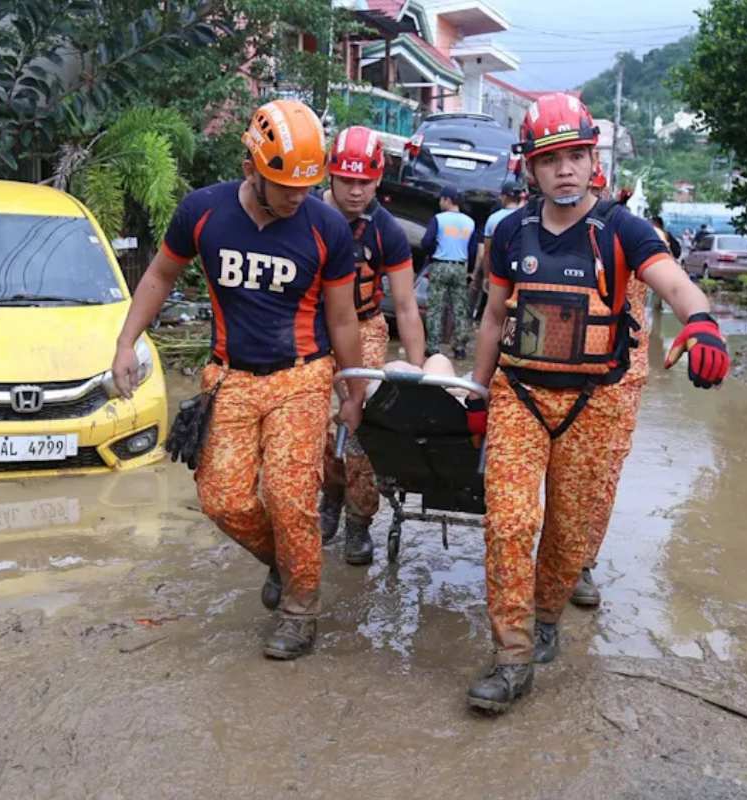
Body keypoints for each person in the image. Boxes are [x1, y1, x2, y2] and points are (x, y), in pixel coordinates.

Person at [464, 93, 730, 713]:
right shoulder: (511, 232)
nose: (565, 169)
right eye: (550, 159)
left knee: (568, 533)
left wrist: (703, 323)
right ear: (530, 167)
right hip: (520, 396)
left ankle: (547, 613)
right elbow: (494, 318)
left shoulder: (622, 229)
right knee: (509, 522)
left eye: (576, 156)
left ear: (593, 162)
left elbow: (674, 281)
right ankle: (511, 658)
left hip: (595, 404)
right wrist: (477, 393)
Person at [110, 99, 367, 661]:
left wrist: (353, 393)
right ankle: (285, 559)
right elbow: (159, 276)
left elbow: (344, 319)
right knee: (222, 499)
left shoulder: (326, 228)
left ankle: (300, 610)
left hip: (303, 376)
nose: (298, 197)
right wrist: (127, 342)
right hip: (228, 377)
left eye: (307, 185)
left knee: (290, 496)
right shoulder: (203, 212)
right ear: (251, 168)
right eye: (286, 185)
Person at [317, 125, 425, 566]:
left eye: (365, 181)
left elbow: (406, 306)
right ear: (331, 175)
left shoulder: (386, 231)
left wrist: (418, 375)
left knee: (361, 425)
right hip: (311, 329)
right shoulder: (305, 216)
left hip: (365, 328)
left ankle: (359, 520)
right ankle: (329, 495)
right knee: (314, 426)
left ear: (379, 179)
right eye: (347, 180)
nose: (356, 190)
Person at [422, 185, 478, 359]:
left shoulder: (439, 219)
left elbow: (426, 242)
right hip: (460, 266)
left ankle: (433, 347)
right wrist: (470, 271)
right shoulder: (470, 222)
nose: (440, 202)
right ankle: (460, 348)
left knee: (435, 307)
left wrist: (432, 253)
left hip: (440, 265)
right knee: (460, 308)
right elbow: (473, 250)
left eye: (441, 199)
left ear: (447, 200)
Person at [472, 178, 529, 323]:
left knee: (496, 314)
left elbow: (487, 252)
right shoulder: (528, 217)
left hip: (499, 273)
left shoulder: (494, 219)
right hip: (522, 271)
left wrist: (486, 276)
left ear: (503, 197)